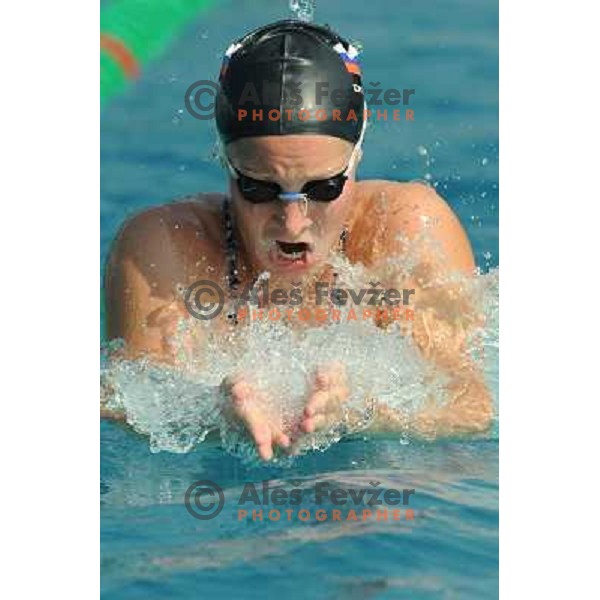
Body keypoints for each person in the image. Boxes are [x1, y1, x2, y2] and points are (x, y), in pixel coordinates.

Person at [103, 20, 493, 460]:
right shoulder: (163, 249)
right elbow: (125, 404)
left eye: (323, 188)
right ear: (225, 162)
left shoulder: (404, 230)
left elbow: (470, 406)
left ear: (357, 158)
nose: (292, 223)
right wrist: (212, 413)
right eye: (259, 188)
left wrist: (363, 412)